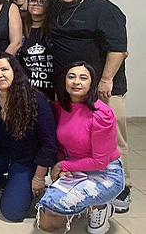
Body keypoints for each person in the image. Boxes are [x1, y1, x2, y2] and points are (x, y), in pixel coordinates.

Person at [48, 0, 131, 212]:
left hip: (102, 89)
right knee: (78, 140)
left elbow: (118, 48)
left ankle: (122, 190)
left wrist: (106, 80)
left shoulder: (105, 10)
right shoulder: (57, 9)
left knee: (114, 140)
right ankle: (89, 185)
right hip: (70, 89)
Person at [0, 52, 57, 222]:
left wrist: (38, 178)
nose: (0, 75)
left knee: (12, 214)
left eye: (4, 69)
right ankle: (7, 184)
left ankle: (22, 187)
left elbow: (49, 145)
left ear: (15, 71)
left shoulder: (36, 101)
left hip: (26, 162)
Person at [36, 62, 125, 234]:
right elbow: (59, 146)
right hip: (74, 168)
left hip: (105, 172)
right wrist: (62, 164)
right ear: (64, 81)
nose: (76, 82)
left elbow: (100, 162)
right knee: (46, 223)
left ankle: (100, 207)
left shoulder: (102, 114)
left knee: (57, 206)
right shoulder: (59, 108)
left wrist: (63, 166)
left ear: (92, 83)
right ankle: (88, 205)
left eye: (83, 78)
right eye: (71, 77)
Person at [17, 0, 56, 99]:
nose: (35, 4)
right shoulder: (21, 29)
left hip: (52, 92)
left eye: (41, 1)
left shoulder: (55, 30)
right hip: (26, 92)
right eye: (32, 0)